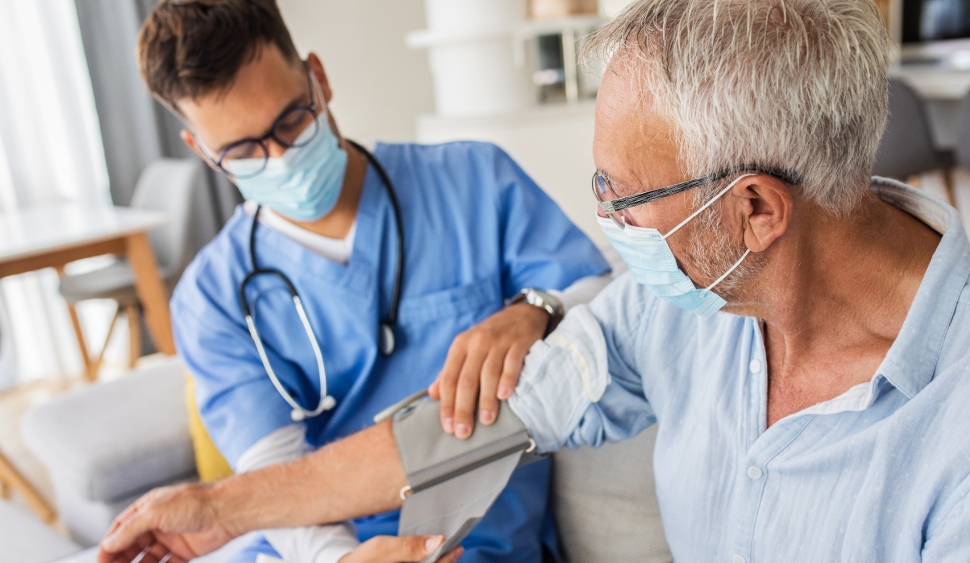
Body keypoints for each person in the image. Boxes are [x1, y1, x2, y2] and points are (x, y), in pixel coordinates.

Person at [100, 0, 970, 561]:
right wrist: (212, 507)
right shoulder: (684, 309)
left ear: (755, 209)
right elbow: (464, 429)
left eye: (619, 197)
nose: (603, 226)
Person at [131, 1, 611, 562]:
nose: (281, 158)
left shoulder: (473, 181)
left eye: (291, 120)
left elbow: (607, 299)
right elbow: (268, 475)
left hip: (477, 542)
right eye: (244, 150)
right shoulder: (209, 298)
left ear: (320, 78)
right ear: (204, 152)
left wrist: (536, 310)